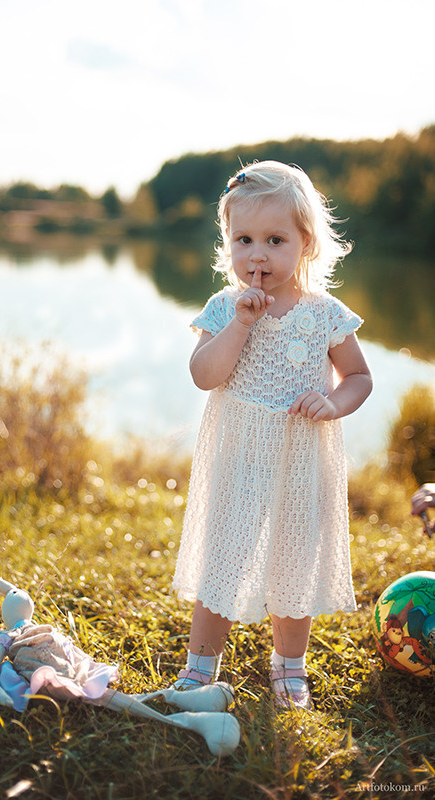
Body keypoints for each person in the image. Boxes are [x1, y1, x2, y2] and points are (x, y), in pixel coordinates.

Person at [172, 161, 373, 710]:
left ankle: (289, 666)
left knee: (294, 563)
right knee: (223, 559)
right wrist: (240, 324)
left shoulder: (326, 314)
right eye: (244, 240)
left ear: (306, 242)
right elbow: (204, 375)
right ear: (228, 243)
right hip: (239, 457)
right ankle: (199, 668)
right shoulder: (224, 307)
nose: (257, 255)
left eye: (275, 240)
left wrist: (333, 403)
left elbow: (359, 377)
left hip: (302, 458)